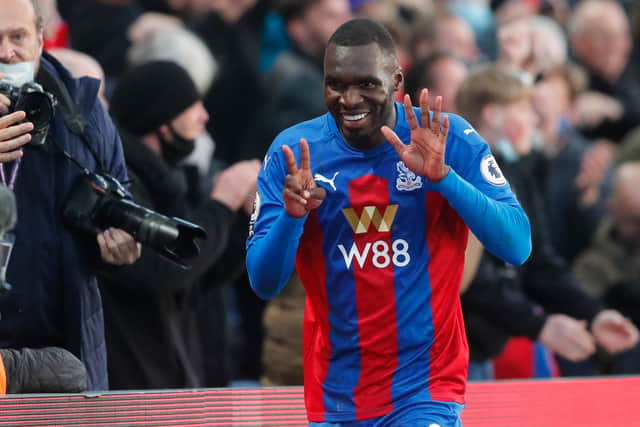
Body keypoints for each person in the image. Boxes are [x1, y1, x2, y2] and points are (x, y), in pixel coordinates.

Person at [246, 18, 532, 425]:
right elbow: (263, 281)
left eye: (366, 83)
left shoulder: (449, 139)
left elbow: (518, 245)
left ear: (396, 79)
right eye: (336, 84)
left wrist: (445, 180)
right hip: (338, 395)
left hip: (426, 388)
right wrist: (292, 218)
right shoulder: (293, 153)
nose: (349, 98)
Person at [0, 0, 140, 391]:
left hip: (65, 353)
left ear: (41, 40)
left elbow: (118, 200)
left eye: (18, 36)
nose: (5, 52)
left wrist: (120, 246)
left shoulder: (84, 111)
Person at [102, 60, 260, 389]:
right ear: (161, 119)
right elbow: (166, 269)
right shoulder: (123, 181)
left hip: (175, 373)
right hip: (136, 385)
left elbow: (203, 275)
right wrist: (221, 202)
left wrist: (244, 215)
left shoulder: (169, 179)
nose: (204, 115)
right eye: (193, 105)